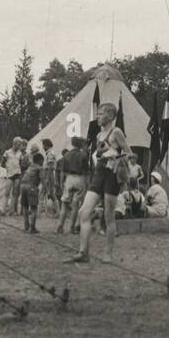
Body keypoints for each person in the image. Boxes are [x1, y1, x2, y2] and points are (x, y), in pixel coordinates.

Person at [69, 101, 130, 263]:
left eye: (101, 113)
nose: (98, 116)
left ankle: (108, 254)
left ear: (110, 116)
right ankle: (84, 252)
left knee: (109, 216)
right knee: (84, 212)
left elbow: (130, 154)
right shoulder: (98, 135)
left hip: (112, 174)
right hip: (99, 173)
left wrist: (116, 159)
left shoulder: (116, 132)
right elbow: (98, 155)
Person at [58, 136, 90, 234]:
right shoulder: (83, 155)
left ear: (72, 144)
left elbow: (62, 172)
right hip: (79, 178)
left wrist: (61, 182)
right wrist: (87, 184)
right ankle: (72, 227)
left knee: (65, 204)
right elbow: (86, 172)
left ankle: (60, 226)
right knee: (76, 205)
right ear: (81, 144)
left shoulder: (66, 155)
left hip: (69, 178)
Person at [20, 151, 44, 233]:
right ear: (40, 160)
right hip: (31, 186)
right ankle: (32, 228)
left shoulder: (30, 167)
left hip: (22, 186)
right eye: (42, 161)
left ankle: (26, 226)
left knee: (25, 207)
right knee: (34, 208)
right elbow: (42, 179)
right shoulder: (40, 168)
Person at [2, 138, 23, 216]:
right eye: (18, 144)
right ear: (14, 143)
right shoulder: (7, 152)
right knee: (7, 192)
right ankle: (3, 210)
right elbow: (2, 163)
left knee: (15, 193)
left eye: (20, 144)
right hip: (10, 174)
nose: (20, 146)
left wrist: (17, 169)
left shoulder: (20, 153)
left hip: (17, 174)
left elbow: (20, 164)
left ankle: (12, 210)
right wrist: (8, 168)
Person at [41, 138, 59, 218]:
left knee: (45, 193)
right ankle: (55, 212)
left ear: (46, 145)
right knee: (50, 193)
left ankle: (40, 212)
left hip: (49, 174)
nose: (43, 147)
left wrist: (47, 178)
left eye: (43, 145)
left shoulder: (50, 153)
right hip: (47, 173)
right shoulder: (48, 153)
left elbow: (50, 167)